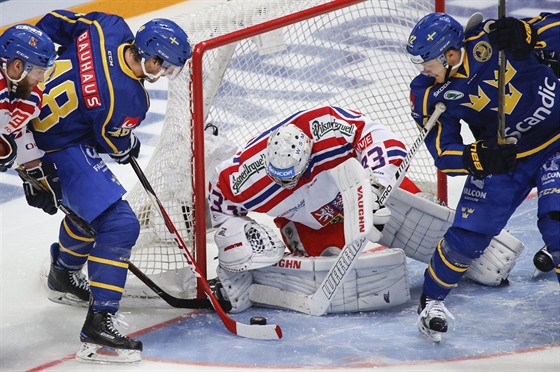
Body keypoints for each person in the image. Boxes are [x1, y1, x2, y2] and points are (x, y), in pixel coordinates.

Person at [27, 10, 191, 363]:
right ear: (151, 56)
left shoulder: (108, 27)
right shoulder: (130, 98)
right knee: (118, 223)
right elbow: (113, 145)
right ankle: (99, 327)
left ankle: (63, 273)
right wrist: (128, 143)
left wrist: (33, 77)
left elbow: (54, 22)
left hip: (25, 117)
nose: (163, 75)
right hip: (53, 148)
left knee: (94, 210)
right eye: (163, 66)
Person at [406, 12, 560, 343]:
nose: (423, 69)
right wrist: (474, 157)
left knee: (556, 220)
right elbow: (442, 152)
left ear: (450, 53)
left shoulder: (495, 38)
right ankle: (431, 302)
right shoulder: (427, 93)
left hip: (555, 143)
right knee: (466, 240)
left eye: (427, 61)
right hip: (504, 160)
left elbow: (555, 27)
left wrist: (528, 34)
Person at [207, 105, 415, 314]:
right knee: (324, 268)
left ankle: (421, 210)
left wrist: (376, 187)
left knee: (407, 202)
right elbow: (219, 199)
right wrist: (236, 245)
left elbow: (381, 139)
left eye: (292, 176)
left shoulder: (325, 127)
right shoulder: (246, 178)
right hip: (311, 224)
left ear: (308, 153)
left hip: (357, 194)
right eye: (279, 177)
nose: (286, 184)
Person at [0, 24, 56, 174]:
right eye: (39, 71)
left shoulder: (30, 97)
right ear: (18, 66)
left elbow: (17, 130)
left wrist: (33, 167)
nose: (42, 79)